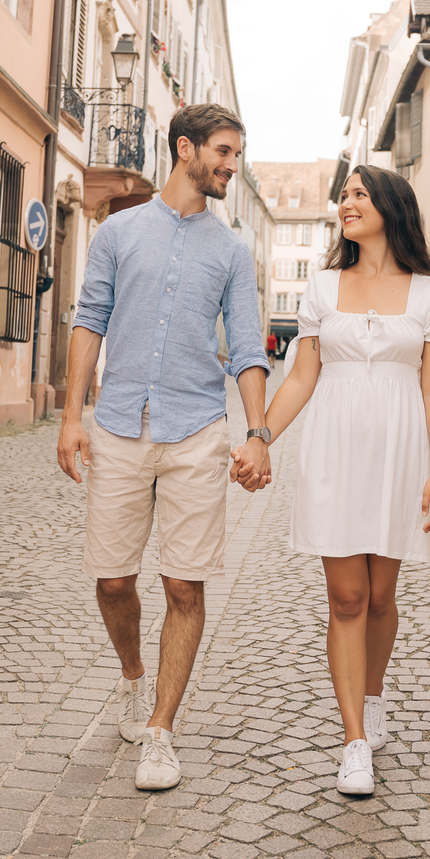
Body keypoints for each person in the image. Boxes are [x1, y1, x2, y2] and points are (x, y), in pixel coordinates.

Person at [57, 103, 271, 793]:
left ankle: (161, 728)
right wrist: (70, 418)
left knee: (185, 583)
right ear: (185, 149)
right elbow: (89, 321)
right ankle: (131, 675)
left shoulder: (232, 252)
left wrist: (258, 433)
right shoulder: (117, 232)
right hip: (119, 422)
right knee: (114, 579)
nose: (232, 166)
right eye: (224, 152)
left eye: (236, 155)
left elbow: (246, 347)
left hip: (197, 429)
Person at [232, 165, 430, 797]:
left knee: (383, 596)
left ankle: (373, 695)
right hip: (334, 449)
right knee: (347, 597)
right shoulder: (323, 289)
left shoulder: (429, 293)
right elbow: (302, 377)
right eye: (344, 196)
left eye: (358, 194)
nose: (346, 203)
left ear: (390, 205)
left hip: (399, 454)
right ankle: (354, 739)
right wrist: (260, 436)